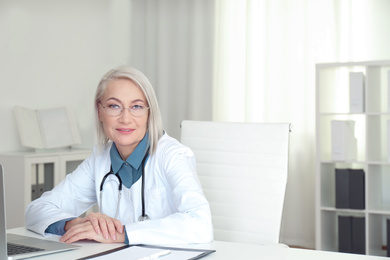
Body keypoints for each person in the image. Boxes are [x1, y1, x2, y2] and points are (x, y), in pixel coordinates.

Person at [25, 66, 213, 245]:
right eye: (114, 106)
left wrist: (119, 234)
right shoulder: (99, 160)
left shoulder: (172, 155)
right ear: (100, 111)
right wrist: (75, 224)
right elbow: (35, 211)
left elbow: (201, 224)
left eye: (137, 106)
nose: (125, 118)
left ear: (150, 113)